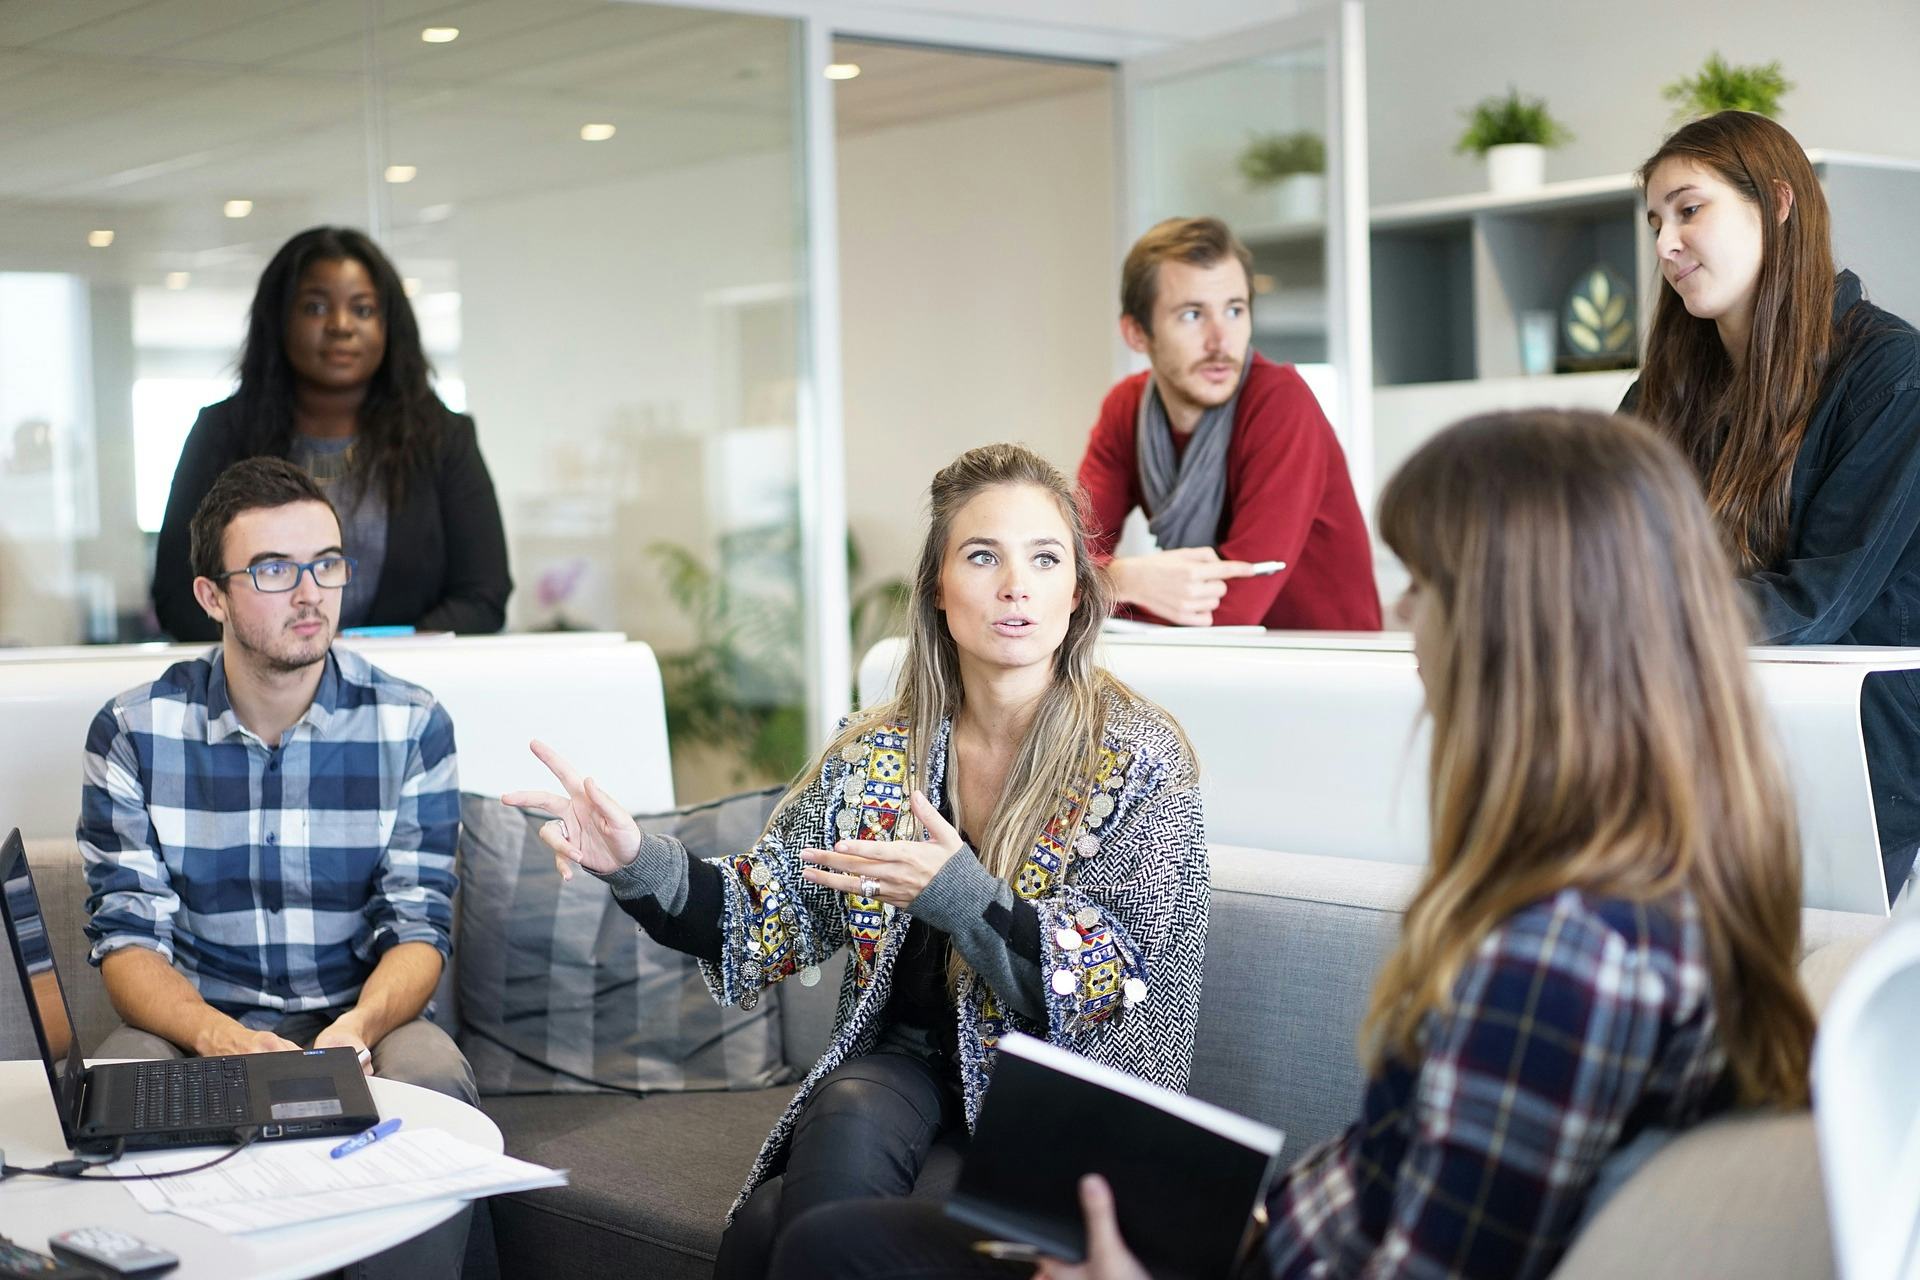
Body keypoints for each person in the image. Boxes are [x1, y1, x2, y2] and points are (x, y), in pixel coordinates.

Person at [775, 410, 1816, 1280]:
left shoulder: (1562, 956)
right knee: (826, 1232)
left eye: (1428, 584)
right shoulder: (1637, 889)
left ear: (1523, 627)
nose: (1404, 615)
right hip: (1263, 1238)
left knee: (835, 1252)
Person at [506, 443, 1209, 1277]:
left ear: (1077, 595)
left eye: (1045, 558)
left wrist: (960, 895)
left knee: (775, 1226)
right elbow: (758, 915)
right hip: (906, 1070)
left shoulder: (1138, 758)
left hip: (1059, 1106)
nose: (1016, 584)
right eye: (982, 556)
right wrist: (631, 860)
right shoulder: (879, 753)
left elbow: (1116, 986)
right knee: (843, 1111)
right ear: (938, 592)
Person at [82, 458, 475, 1110]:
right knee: (118, 1084)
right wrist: (218, 1036)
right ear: (213, 597)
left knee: (434, 1076)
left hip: (360, 1016)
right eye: (273, 570)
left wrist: (357, 1029)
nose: (310, 593)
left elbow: (419, 927)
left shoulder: (411, 724)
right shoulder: (132, 731)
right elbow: (127, 940)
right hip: (197, 1021)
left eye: (326, 564)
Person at [1626, 110, 1920, 901]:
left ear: (1779, 204)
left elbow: (1815, 603)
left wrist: (1620, 615)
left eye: (1690, 209)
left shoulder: (1893, 375)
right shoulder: (1661, 394)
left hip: (1858, 763)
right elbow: (1598, 552)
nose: (1664, 245)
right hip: (1700, 742)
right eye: (1657, 221)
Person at [152, 226, 510, 641]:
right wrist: (286, 654)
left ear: (390, 325)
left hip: (408, 688)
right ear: (279, 319)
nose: (341, 326)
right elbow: (178, 597)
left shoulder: (444, 439)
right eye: (316, 308)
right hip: (259, 695)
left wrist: (374, 658)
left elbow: (483, 596)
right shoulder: (222, 434)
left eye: (363, 310)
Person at [1075, 216, 1379, 630]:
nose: (1221, 341)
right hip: (1215, 665)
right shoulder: (1125, 408)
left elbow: (1234, 608)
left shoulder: (1280, 401)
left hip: (1325, 669)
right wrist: (1124, 578)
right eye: (1191, 315)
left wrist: (1100, 585)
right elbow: (1061, 562)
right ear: (1136, 334)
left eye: (1234, 310)